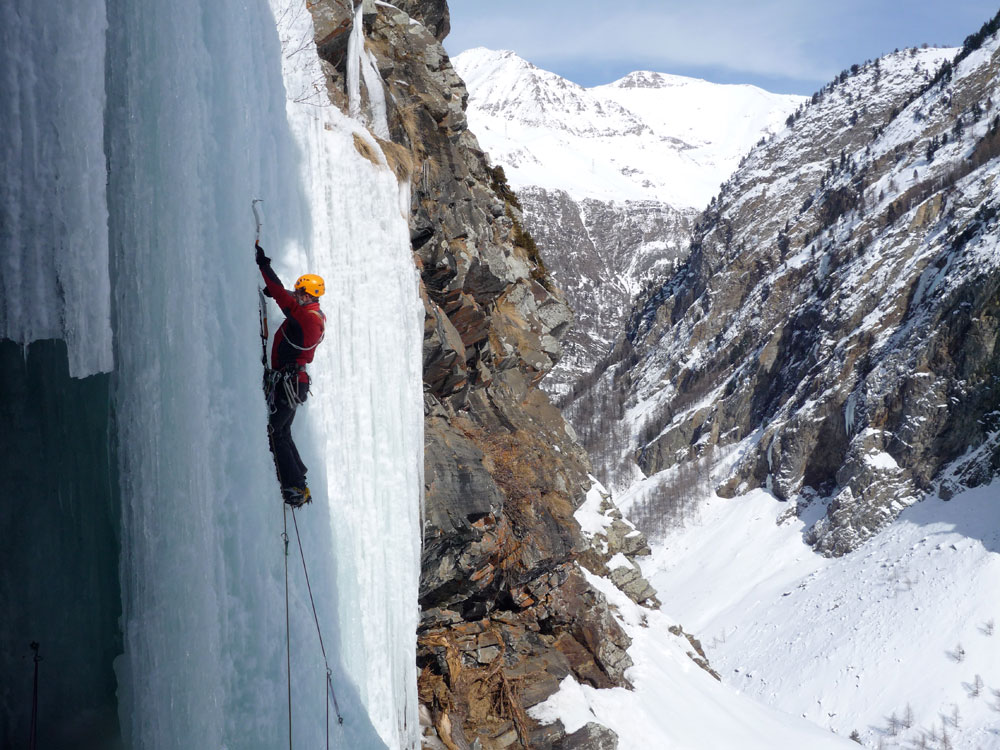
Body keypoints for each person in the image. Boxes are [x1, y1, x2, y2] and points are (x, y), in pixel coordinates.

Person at [255, 242, 326, 507]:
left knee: (276, 431)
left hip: (290, 383)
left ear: (308, 296)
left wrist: (264, 265)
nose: (296, 295)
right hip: (293, 383)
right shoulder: (312, 314)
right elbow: (287, 300)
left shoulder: (307, 319)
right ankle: (298, 481)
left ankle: (295, 486)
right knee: (281, 431)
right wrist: (279, 293)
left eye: (300, 292)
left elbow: (284, 299)